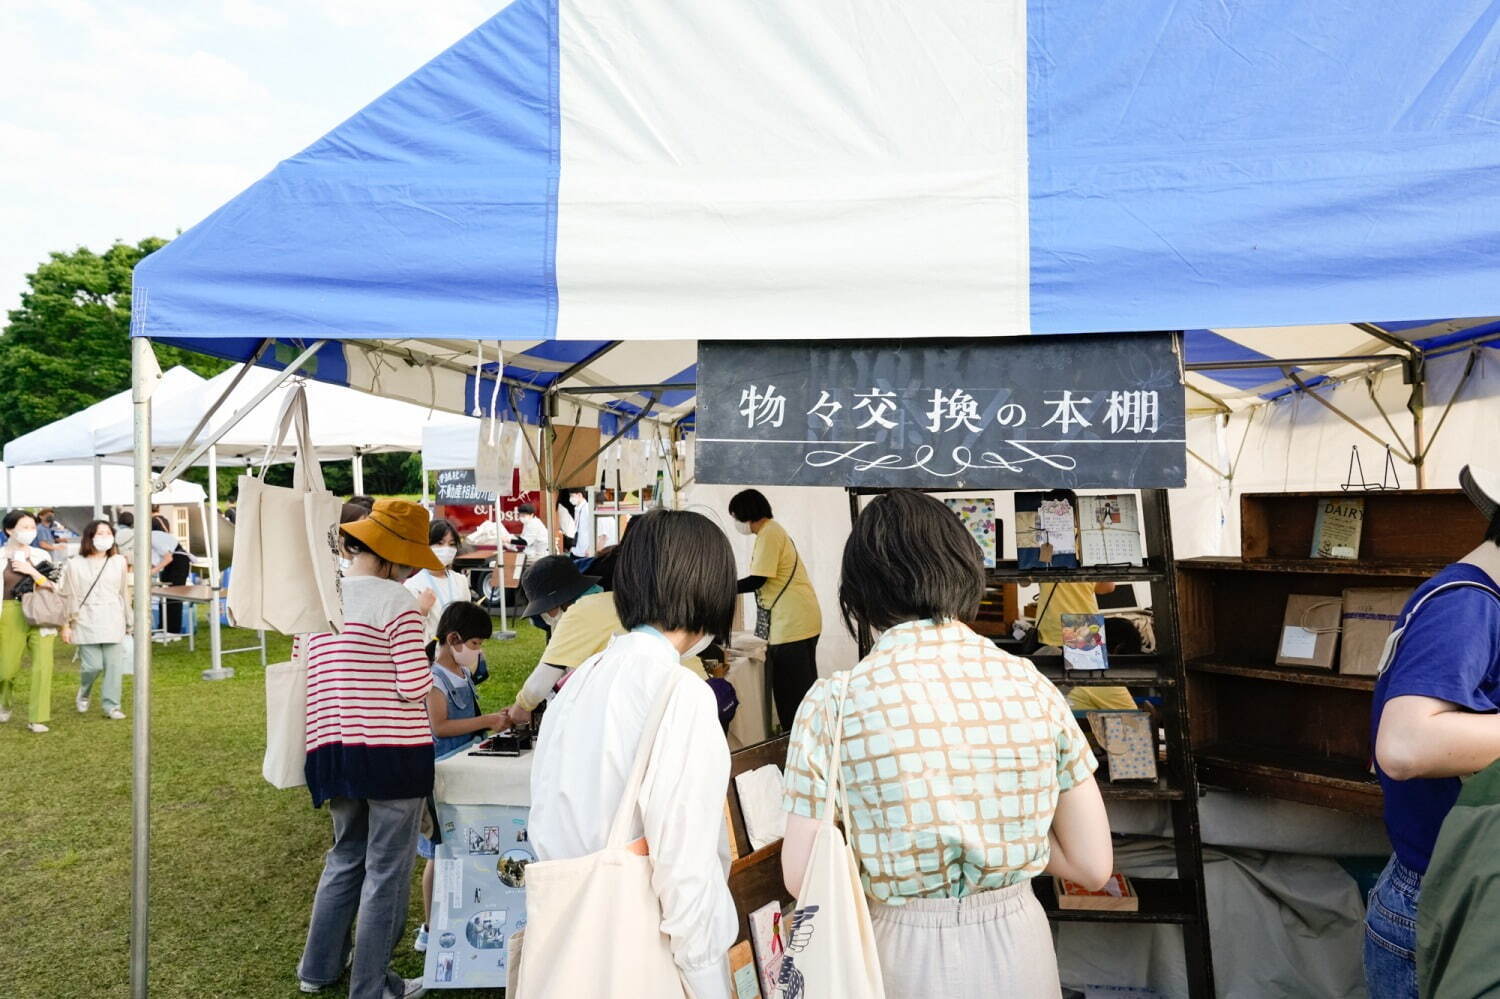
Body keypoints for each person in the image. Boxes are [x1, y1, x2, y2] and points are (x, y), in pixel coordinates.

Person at [780, 490, 1112, 998]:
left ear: (859, 591)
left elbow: (800, 872)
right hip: (1019, 943)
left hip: (892, 948)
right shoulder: (1031, 684)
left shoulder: (834, 702)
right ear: (962, 570)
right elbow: (1092, 865)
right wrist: (999, 836)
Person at [528, 509, 739, 998]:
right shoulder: (679, 693)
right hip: (644, 954)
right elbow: (686, 864)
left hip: (570, 942)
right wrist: (708, 976)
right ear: (710, 589)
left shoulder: (580, 678)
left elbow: (545, 816)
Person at [297, 499, 443, 999]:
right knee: (387, 871)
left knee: (344, 857)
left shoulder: (321, 596)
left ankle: (317, 970)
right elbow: (413, 683)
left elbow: (305, 666)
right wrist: (423, 627)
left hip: (332, 746)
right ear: (393, 555)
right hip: (393, 753)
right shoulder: (397, 603)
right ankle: (372, 985)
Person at [1366, 464, 1500, 999]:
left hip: (1441, 879)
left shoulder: (1466, 596)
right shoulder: (1469, 604)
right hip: (1436, 893)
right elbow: (1402, 747)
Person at [414, 602, 505, 954]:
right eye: (476, 644)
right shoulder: (435, 678)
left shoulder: (462, 673)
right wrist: (486, 722)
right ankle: (428, 926)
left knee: (459, 845)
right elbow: (440, 726)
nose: (477, 652)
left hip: (464, 771)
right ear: (453, 639)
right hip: (441, 775)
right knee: (439, 852)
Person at [728, 488, 821, 730]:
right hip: (800, 619)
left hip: (792, 624)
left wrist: (722, 586)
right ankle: (805, 741)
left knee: (792, 696)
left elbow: (758, 579)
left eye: (736, 516)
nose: (737, 523)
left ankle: (796, 748)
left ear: (746, 512)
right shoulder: (772, 531)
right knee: (803, 691)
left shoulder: (769, 534)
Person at [60, 520, 130, 721]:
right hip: (84, 618)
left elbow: (124, 592)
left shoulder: (119, 561)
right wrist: (66, 624)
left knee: (114, 666)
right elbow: (68, 594)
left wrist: (129, 620)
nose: (105, 537)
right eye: (100, 533)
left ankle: (112, 705)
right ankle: (84, 690)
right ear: (90, 537)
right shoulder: (74, 563)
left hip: (113, 617)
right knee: (92, 665)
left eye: (108, 533)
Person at [0, 510, 60, 733]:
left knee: (43, 666)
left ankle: (38, 717)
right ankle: (4, 702)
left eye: (32, 527)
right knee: (6, 669)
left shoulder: (41, 556)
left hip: (40, 610)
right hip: (9, 611)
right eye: (24, 527)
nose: (29, 532)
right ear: (9, 530)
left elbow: (55, 586)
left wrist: (32, 572)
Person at [403, 519, 467, 638]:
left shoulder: (460, 580)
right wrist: (422, 610)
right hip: (429, 652)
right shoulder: (413, 585)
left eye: (452, 544)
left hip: (459, 649)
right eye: (440, 543)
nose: (446, 549)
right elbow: (408, 632)